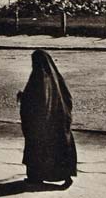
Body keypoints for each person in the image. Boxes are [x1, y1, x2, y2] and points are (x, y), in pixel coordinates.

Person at [18, 49, 77, 187]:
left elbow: (36, 100)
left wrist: (22, 97)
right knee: (60, 149)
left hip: (41, 123)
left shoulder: (38, 78)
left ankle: (35, 177)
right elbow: (67, 98)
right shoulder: (56, 78)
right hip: (58, 121)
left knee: (37, 148)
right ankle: (66, 176)